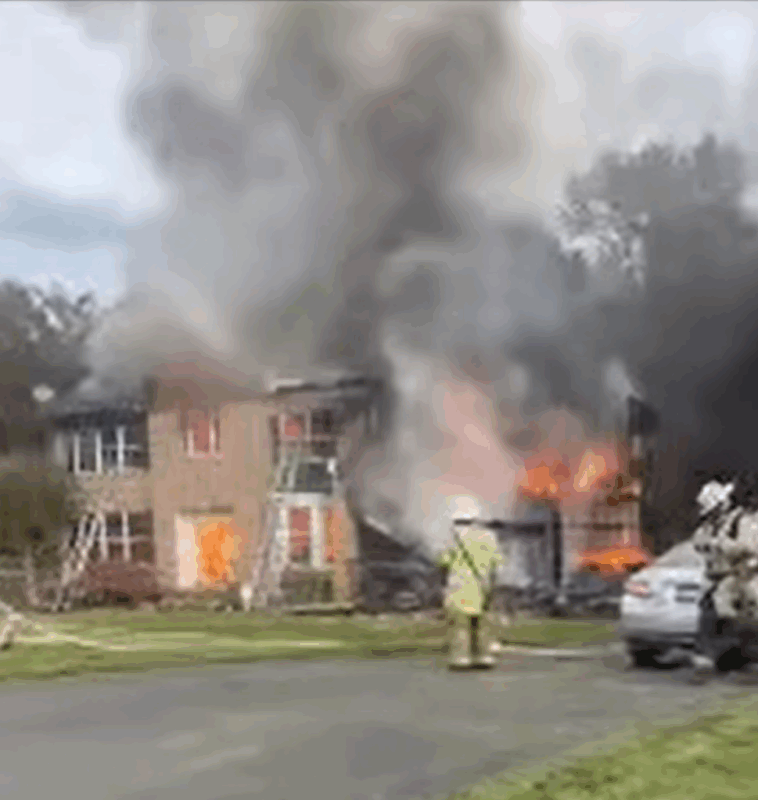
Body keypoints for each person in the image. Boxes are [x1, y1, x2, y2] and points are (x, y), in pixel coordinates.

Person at [691, 471, 758, 682]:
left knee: (744, 617)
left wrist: (724, 545)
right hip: (720, 580)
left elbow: (749, 546)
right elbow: (699, 541)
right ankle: (724, 660)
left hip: (743, 576)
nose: (711, 514)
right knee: (717, 617)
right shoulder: (711, 526)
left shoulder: (741, 521)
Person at [437, 495, 504, 670]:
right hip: (482, 586)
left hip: (459, 586)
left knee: (460, 625)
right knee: (482, 625)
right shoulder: (489, 537)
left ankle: (462, 658)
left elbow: (444, 562)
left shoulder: (452, 539)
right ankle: (484, 657)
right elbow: (496, 563)